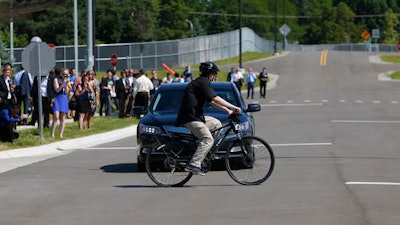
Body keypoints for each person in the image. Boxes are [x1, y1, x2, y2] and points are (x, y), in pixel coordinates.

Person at [176, 61, 241, 175]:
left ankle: (205, 152)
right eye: (214, 73)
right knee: (208, 139)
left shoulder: (203, 82)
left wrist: (228, 111)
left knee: (216, 124)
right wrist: (233, 106)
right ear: (209, 73)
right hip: (190, 117)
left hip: (196, 116)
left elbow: (211, 101)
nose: (215, 76)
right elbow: (215, 98)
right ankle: (194, 164)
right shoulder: (202, 82)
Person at [51, 68, 70, 138]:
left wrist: (67, 84)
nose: (65, 76)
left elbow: (66, 92)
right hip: (57, 98)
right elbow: (57, 90)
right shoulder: (56, 80)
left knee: (63, 117)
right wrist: (63, 83)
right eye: (64, 74)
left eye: (66, 74)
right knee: (56, 116)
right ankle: (52, 133)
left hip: (64, 98)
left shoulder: (67, 81)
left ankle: (61, 134)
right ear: (61, 74)